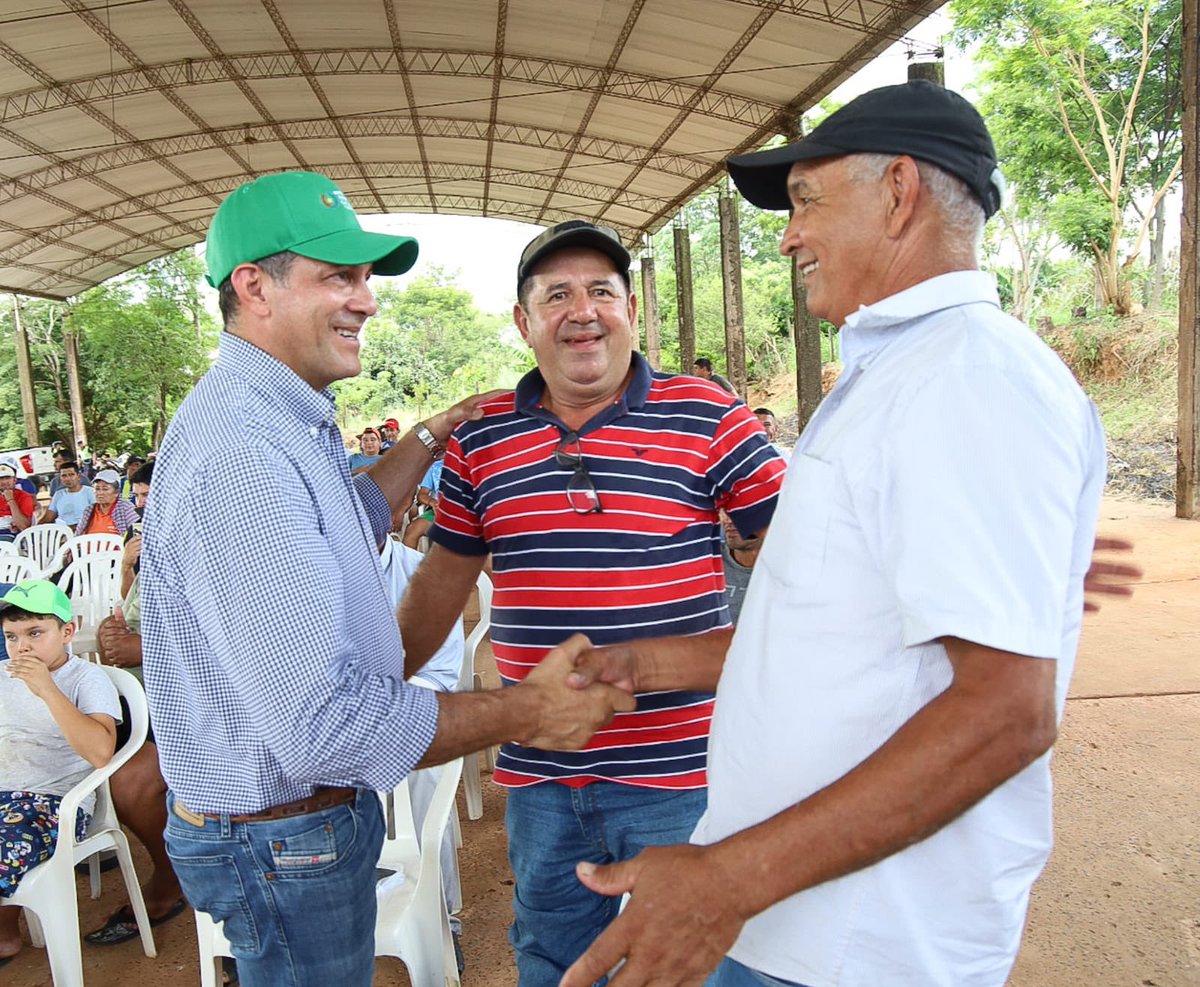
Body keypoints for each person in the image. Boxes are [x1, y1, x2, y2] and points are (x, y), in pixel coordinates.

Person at [561, 81, 1110, 987]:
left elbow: (1007, 709)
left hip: (861, 945)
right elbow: (842, 634)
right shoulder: (902, 375)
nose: (788, 235)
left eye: (807, 200)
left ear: (898, 191)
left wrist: (726, 881)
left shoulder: (967, 382)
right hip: (803, 928)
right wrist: (651, 666)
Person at [139, 171, 633, 987]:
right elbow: (325, 727)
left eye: (366, 278)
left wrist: (429, 438)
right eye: (339, 276)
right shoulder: (244, 455)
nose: (367, 300)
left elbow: (339, 521)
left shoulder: (274, 416)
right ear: (253, 286)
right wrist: (530, 708)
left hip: (290, 831)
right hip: (282, 838)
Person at [395, 218, 786, 986]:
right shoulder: (484, 439)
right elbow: (444, 581)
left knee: (699, 961)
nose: (583, 311)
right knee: (555, 959)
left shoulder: (708, 416)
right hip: (543, 775)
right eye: (558, 295)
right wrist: (370, 680)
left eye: (601, 291)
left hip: (682, 773)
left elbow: (802, 565)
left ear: (630, 309)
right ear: (523, 321)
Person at [0, 579, 121, 966]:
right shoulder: (3, 674)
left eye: (35, 632)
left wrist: (48, 690)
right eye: (11, 636)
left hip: (50, 804)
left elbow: (102, 753)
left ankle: (4, 933)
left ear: (67, 631)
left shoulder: (87, 679)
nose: (22, 646)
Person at [718, 511, 761, 624]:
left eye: (742, 510)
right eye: (722, 510)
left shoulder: (796, 570)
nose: (727, 519)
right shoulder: (707, 560)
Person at [75, 468, 139, 537]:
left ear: (116, 492)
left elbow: (136, 535)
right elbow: (77, 536)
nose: (100, 493)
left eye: (105, 489)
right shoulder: (89, 510)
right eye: (97, 488)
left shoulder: (126, 508)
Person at [40, 460, 95, 528]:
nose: (68, 479)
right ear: (60, 478)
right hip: (62, 531)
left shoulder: (90, 492)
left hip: (84, 530)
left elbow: (96, 515)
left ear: (78, 476)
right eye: (64, 476)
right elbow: (49, 517)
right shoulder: (58, 494)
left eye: (71, 475)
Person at [0, 458, 35, 543]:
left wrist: (11, 500)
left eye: (7, 478)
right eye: (1, 478)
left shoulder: (24, 496)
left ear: (14, 480)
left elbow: (24, 527)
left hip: (15, 538)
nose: (4, 482)